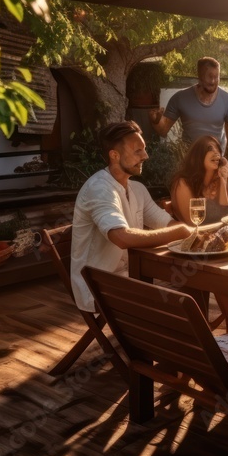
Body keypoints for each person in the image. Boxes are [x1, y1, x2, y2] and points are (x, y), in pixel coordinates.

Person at [69, 121, 191, 313]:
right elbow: (122, 238)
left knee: (193, 285)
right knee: (177, 304)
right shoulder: (100, 189)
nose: (146, 156)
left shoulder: (137, 189)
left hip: (133, 275)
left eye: (144, 149)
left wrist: (191, 235)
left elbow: (164, 221)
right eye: (137, 151)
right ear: (114, 155)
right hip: (97, 286)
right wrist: (181, 232)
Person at [170, 136, 228, 334]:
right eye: (210, 149)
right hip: (190, 249)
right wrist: (218, 233)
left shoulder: (217, 179)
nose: (216, 153)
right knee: (218, 264)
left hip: (217, 245)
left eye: (218, 149)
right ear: (199, 155)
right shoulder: (184, 182)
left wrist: (226, 177)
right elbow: (191, 224)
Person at [148, 57, 228, 155]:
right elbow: (163, 130)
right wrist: (156, 121)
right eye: (209, 77)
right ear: (199, 76)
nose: (213, 81)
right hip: (189, 161)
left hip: (215, 161)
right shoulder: (180, 98)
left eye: (216, 77)